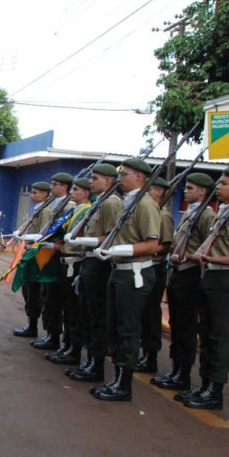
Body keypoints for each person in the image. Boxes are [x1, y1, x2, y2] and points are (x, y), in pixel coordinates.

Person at [174, 167, 229, 409]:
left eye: (224, 183)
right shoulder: (225, 212)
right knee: (207, 334)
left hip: (225, 279)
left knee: (219, 336)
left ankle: (215, 391)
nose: (218, 187)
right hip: (211, 276)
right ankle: (205, 385)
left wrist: (211, 259)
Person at [89, 157, 161, 401]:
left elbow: (152, 244)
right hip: (119, 270)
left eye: (125, 174)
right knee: (115, 327)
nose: (120, 178)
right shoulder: (128, 202)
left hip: (134, 272)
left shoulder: (145, 205)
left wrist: (122, 250)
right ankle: (117, 379)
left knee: (128, 329)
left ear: (140, 177)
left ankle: (124, 385)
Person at [152, 173, 215, 391]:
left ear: (203, 191)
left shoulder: (207, 215)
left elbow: (208, 248)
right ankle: (176, 368)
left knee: (186, 326)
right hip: (178, 273)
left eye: (190, 188)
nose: (185, 191)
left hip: (191, 274)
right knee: (176, 324)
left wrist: (187, 255)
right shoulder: (191, 212)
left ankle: (183, 373)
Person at [66, 163, 121, 383]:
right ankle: (90, 361)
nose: (90, 182)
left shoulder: (112, 203)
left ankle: (96, 365)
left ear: (108, 180)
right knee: (88, 315)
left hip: (100, 264)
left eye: (95, 178)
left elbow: (113, 236)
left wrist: (85, 240)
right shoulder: (101, 201)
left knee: (97, 317)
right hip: (89, 262)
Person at [47, 178, 91, 366]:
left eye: (77, 189)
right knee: (67, 307)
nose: (72, 192)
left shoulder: (86, 210)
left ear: (86, 193)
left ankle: (74, 349)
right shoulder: (75, 210)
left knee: (74, 310)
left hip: (75, 262)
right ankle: (67, 345)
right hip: (66, 261)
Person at [135, 175, 174, 374]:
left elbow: (166, 245)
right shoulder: (149, 210)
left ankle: (151, 357)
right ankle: (144, 353)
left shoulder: (163, 215)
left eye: (149, 189)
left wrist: (144, 250)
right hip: (145, 266)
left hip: (155, 268)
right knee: (142, 314)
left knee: (150, 314)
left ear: (159, 192)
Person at [31, 172, 73, 350]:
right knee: (47, 297)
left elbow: (62, 233)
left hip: (58, 256)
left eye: (55, 184)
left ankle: (55, 336)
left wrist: (53, 245)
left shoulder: (69, 206)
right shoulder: (55, 204)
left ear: (65, 187)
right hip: (49, 255)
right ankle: (50, 333)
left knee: (55, 300)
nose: (52, 187)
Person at [12, 181, 52, 338]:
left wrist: (26, 237)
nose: (31, 195)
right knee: (28, 290)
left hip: (36, 255)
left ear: (45, 194)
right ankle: (30, 324)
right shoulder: (38, 209)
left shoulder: (45, 211)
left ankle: (33, 326)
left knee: (33, 291)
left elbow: (43, 235)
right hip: (30, 252)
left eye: (35, 192)